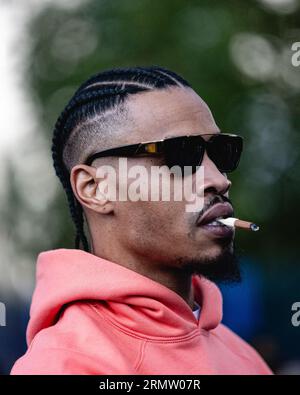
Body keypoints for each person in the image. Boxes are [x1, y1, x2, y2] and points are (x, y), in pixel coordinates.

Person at [11, 66, 272, 374]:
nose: (218, 179)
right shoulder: (62, 365)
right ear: (96, 188)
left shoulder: (244, 357)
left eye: (221, 152)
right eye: (180, 154)